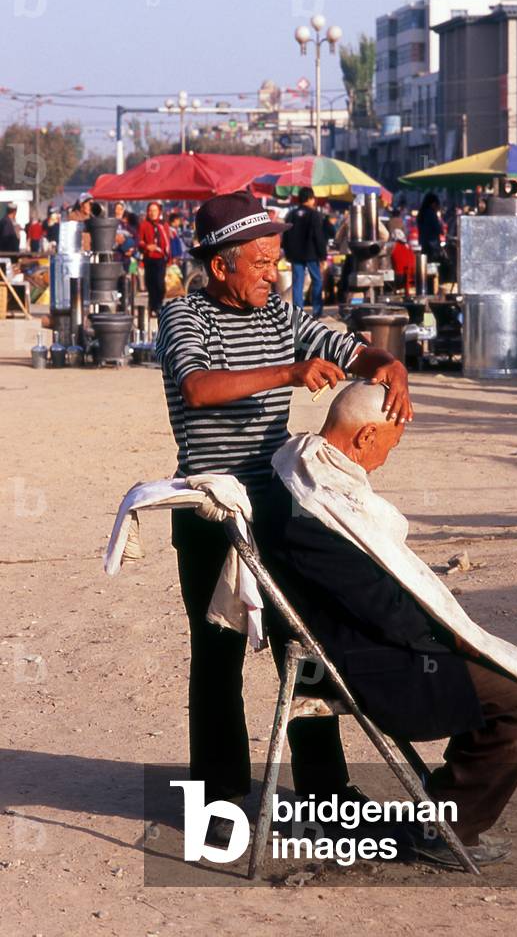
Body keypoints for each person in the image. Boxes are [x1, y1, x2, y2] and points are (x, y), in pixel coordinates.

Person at [154, 191, 411, 841]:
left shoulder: (278, 310)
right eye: (263, 262)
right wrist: (290, 372)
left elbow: (353, 350)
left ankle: (327, 786)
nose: (275, 272)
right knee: (218, 654)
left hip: (278, 503)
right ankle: (216, 800)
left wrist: (389, 364)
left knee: (306, 642)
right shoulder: (183, 315)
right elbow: (198, 387)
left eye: (276, 261)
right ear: (221, 266)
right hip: (211, 508)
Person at [253, 381, 517, 868]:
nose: (386, 457)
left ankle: (441, 809)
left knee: (507, 672)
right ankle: (449, 827)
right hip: (372, 659)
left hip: (366, 638)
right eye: (388, 444)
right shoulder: (310, 510)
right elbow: (378, 604)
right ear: (364, 437)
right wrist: (445, 641)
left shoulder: (298, 473)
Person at [282, 187, 327, 318]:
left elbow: (286, 236)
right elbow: (318, 236)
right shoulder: (314, 215)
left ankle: (298, 312)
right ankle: (317, 311)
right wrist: (323, 255)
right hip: (312, 254)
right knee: (317, 280)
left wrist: (288, 253)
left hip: (296, 255)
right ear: (310, 199)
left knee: (297, 283)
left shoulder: (291, 215)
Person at [138, 201, 170, 315]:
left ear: (159, 212)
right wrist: (147, 246)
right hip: (149, 258)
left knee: (159, 283)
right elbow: (139, 241)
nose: (152, 213)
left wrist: (169, 258)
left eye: (154, 210)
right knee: (150, 283)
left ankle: (158, 305)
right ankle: (153, 307)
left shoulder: (163, 225)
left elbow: (167, 242)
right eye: (150, 211)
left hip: (161, 258)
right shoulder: (143, 225)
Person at [416, 192, 442, 258]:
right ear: (432, 203)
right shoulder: (431, 213)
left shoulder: (422, 213)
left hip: (424, 242)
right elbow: (437, 228)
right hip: (432, 243)